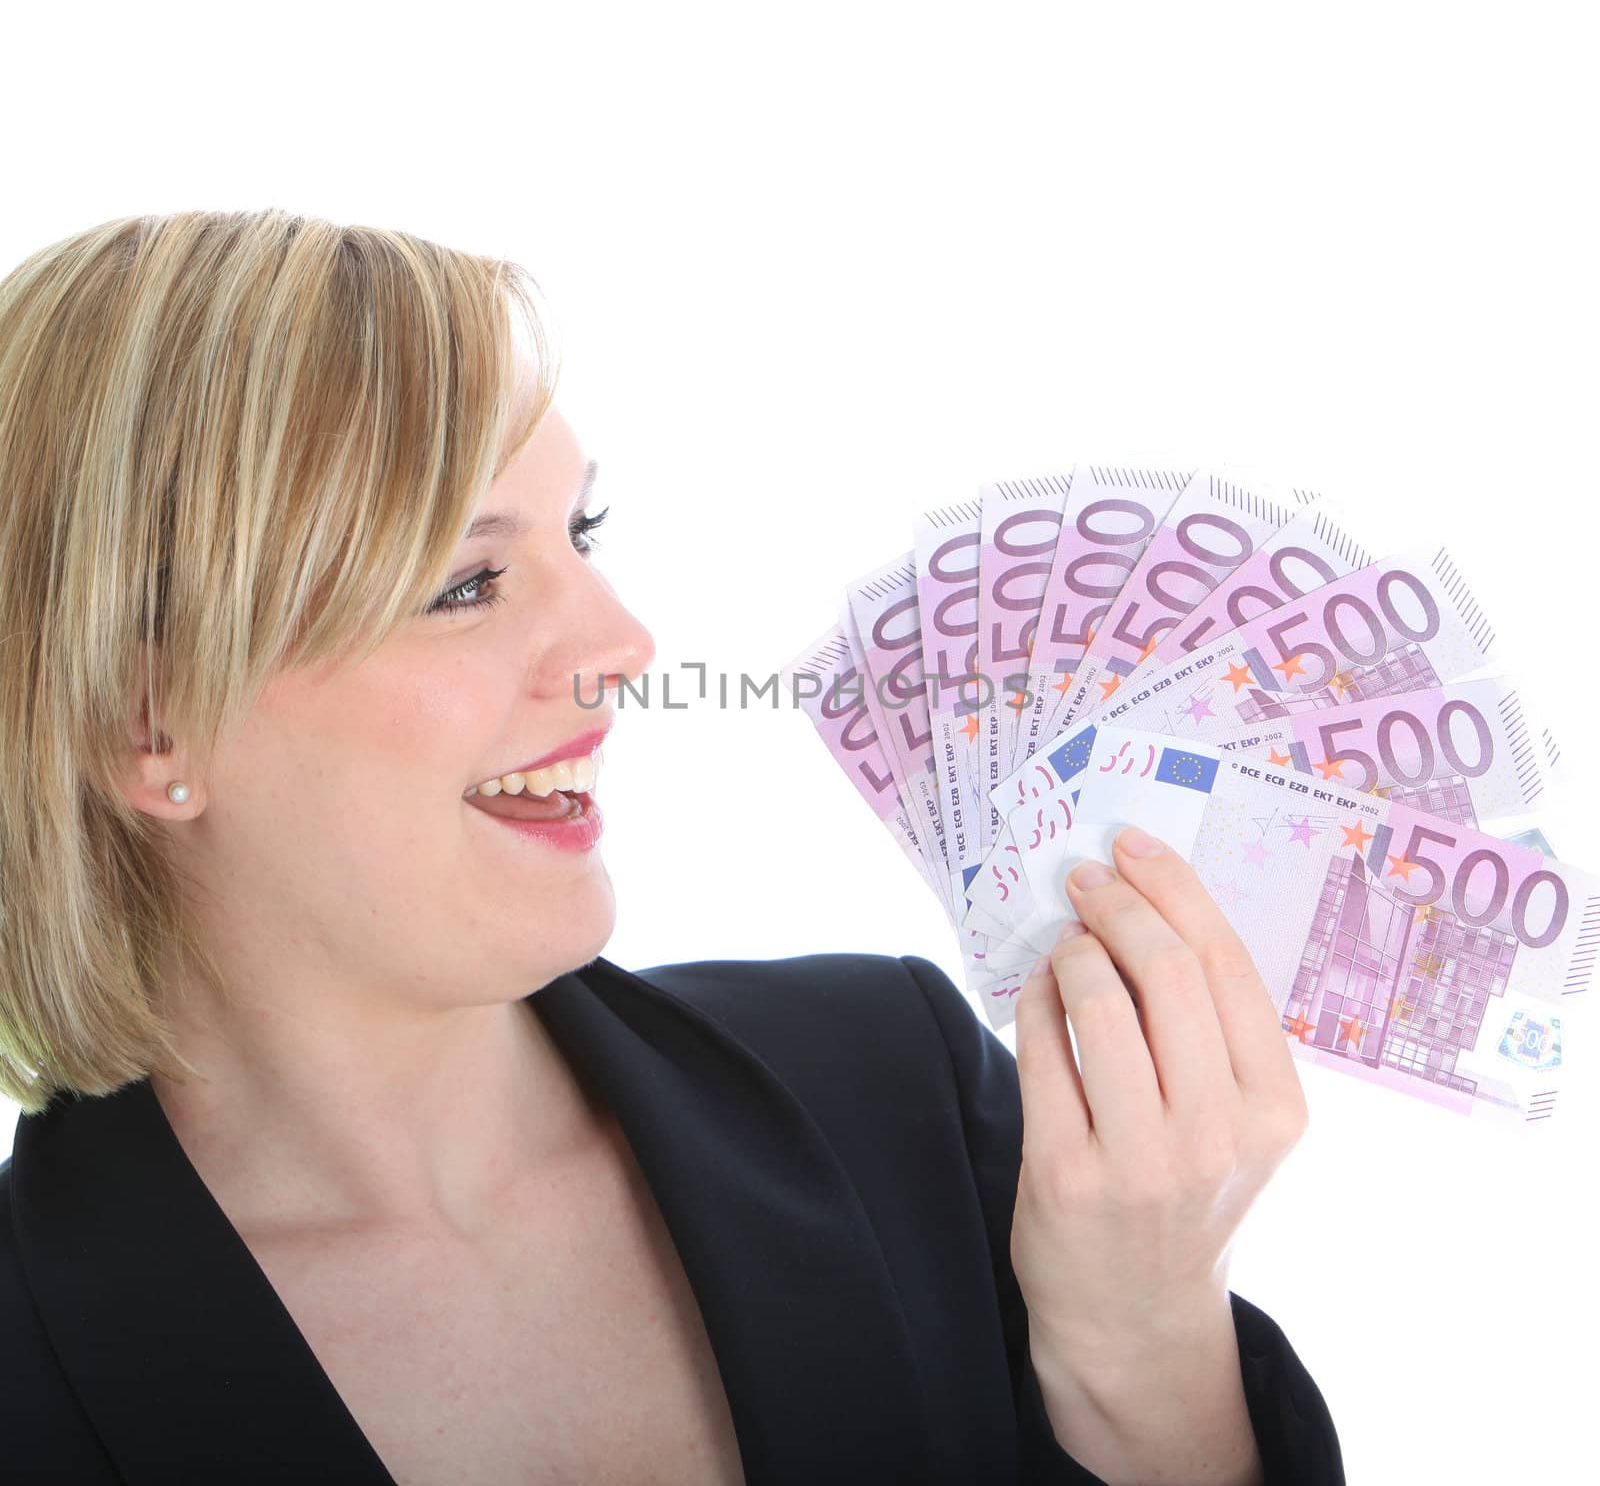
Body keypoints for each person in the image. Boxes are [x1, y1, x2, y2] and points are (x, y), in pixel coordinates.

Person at [0, 207, 1344, 1484]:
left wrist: (1143, 1344)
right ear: (150, 723)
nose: (624, 646)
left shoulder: (901, 1087)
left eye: (582, 533)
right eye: (466, 581)